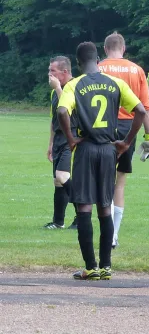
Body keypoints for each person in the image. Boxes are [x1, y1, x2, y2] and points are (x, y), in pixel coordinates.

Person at [56, 42, 146, 280]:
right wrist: (126, 142)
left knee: (84, 206)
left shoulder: (74, 84)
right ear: (98, 60)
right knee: (105, 207)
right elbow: (141, 110)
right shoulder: (116, 83)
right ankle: (106, 266)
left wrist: (71, 139)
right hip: (108, 150)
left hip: (85, 149)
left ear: (77, 63)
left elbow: (62, 111)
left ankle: (90, 267)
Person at [98, 32, 149, 249]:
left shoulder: (98, 68)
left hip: (101, 127)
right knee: (120, 182)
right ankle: (114, 235)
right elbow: (146, 107)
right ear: (124, 48)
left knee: (103, 180)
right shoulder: (136, 70)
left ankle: (105, 232)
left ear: (105, 49)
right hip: (128, 127)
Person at [44, 56, 77, 230]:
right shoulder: (53, 92)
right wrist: (50, 144)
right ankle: (58, 222)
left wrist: (57, 88)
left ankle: (82, 212)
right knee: (57, 181)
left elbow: (68, 113)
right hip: (58, 138)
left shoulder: (75, 87)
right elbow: (54, 118)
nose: (49, 74)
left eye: (53, 71)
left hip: (70, 137)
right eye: (49, 70)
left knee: (62, 176)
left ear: (64, 72)